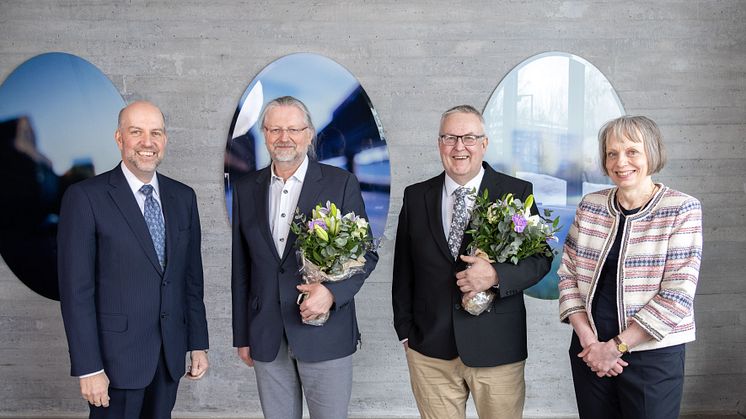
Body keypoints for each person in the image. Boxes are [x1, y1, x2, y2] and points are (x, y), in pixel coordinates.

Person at [392, 105, 552, 419]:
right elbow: (403, 270)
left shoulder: (516, 192)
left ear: (484, 143)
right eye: (450, 138)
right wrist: (406, 331)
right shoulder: (415, 196)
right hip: (430, 350)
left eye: (468, 137)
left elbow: (540, 259)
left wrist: (495, 275)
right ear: (439, 144)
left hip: (497, 349)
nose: (459, 147)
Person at [58, 101, 209, 418]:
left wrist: (198, 343)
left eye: (155, 133)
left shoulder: (183, 198)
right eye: (136, 132)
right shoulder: (86, 198)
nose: (147, 142)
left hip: (168, 357)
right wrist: (89, 367)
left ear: (164, 140)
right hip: (114, 363)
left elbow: (190, 280)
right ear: (119, 138)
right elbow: (76, 292)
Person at [231, 96, 378, 419]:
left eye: (293, 129)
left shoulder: (341, 184)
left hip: (325, 331)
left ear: (309, 134)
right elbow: (241, 268)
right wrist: (242, 335)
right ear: (265, 134)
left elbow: (366, 253)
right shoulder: (245, 188)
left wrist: (331, 293)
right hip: (267, 334)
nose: (284, 137)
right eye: (275, 129)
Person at [558, 115, 703, 418]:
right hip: (590, 350)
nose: (620, 161)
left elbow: (677, 295)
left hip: (652, 354)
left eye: (632, 151)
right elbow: (568, 274)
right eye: (612, 153)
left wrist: (615, 348)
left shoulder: (681, 208)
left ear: (652, 152)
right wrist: (589, 342)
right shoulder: (591, 205)